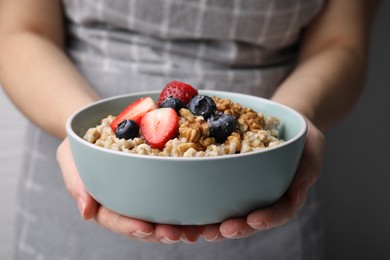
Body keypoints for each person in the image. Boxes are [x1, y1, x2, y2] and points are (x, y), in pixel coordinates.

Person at [0, 0, 380, 259]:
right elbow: (20, 31)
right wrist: (86, 138)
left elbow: (341, 42)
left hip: (262, 184)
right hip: (85, 183)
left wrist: (292, 121)